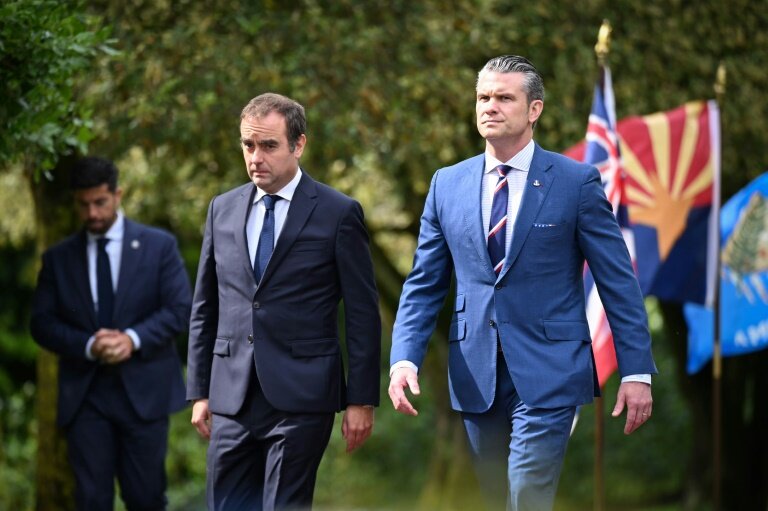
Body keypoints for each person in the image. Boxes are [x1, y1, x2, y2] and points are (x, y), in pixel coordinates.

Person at [388, 55, 657, 511]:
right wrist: (403, 358)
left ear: (534, 109)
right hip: (475, 371)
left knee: (529, 491)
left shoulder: (576, 182)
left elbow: (617, 282)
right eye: (483, 97)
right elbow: (423, 284)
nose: (489, 106)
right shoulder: (446, 184)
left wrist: (635, 370)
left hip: (551, 366)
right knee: (496, 499)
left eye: (503, 97)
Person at [186, 92, 381, 511]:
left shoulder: (339, 213)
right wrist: (200, 390)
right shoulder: (222, 209)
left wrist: (360, 399)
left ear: (298, 145)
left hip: (302, 396)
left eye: (269, 145)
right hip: (231, 395)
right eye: (248, 145)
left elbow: (363, 314)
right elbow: (206, 305)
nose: (256, 156)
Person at [30, 156, 192, 510]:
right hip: (86, 396)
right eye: (83, 205)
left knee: (146, 498)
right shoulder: (58, 258)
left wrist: (131, 339)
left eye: (100, 202)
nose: (92, 214)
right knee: (91, 500)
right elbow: (41, 324)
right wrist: (89, 345)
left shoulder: (158, 245)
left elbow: (181, 310)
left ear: (118, 195)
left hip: (144, 395)